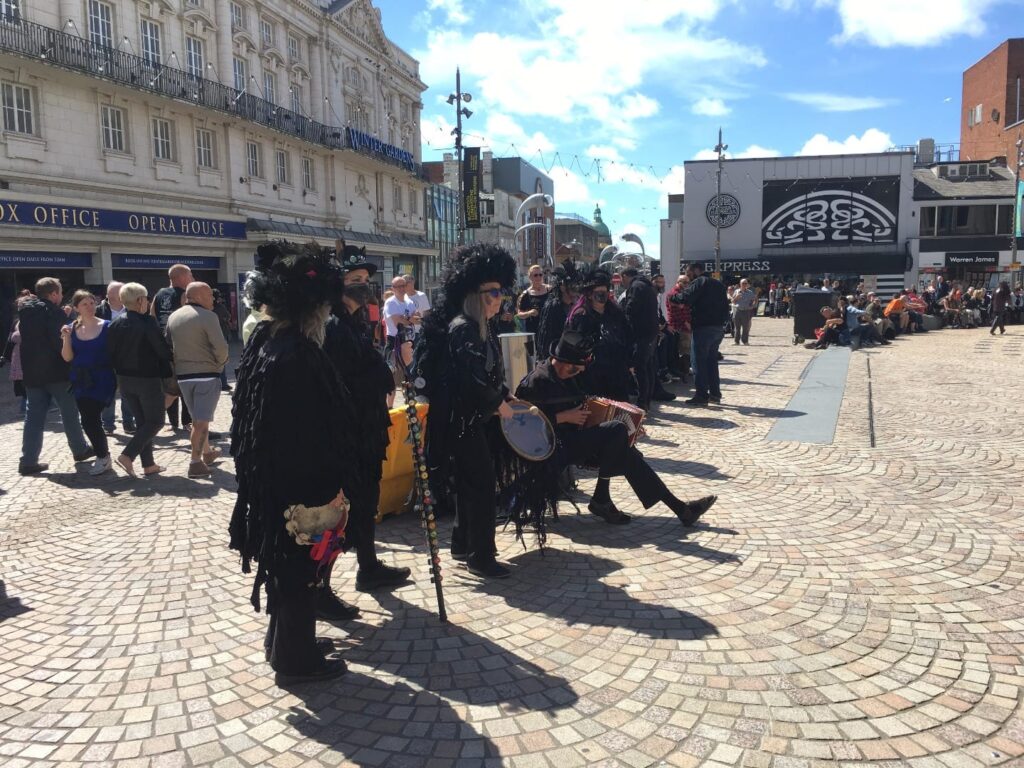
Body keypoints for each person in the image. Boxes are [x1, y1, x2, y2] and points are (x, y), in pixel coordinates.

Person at [231, 240, 358, 686]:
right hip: (297, 485)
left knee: (286, 570)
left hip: (273, 482)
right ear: (313, 308)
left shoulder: (268, 340)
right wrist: (328, 486)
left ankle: (284, 643)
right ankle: (297, 659)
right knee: (299, 571)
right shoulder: (299, 355)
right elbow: (308, 432)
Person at [516, 330, 717, 526]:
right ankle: (602, 499)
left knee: (625, 448)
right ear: (563, 363)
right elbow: (522, 424)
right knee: (616, 432)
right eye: (577, 367)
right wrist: (562, 417)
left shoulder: (572, 377)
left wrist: (632, 426)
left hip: (575, 439)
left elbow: (589, 405)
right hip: (554, 447)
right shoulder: (537, 381)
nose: (582, 370)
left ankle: (681, 510)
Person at [416, 243, 519, 580]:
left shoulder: (479, 327)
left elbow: (486, 374)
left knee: (470, 483)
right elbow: (471, 379)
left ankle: (463, 544)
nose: (500, 298)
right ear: (475, 293)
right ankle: (480, 556)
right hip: (461, 422)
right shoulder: (463, 327)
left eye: (502, 291)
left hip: (469, 420)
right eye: (493, 292)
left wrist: (505, 395)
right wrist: (498, 404)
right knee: (482, 485)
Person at [323, 242, 411, 614]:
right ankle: (318, 585)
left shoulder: (357, 321)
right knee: (334, 510)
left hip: (367, 429)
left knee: (367, 500)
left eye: (365, 280)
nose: (362, 285)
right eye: (354, 280)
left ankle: (368, 566)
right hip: (343, 431)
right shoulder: (330, 325)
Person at [17, 277, 92, 475]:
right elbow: (59, 342)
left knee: (33, 417)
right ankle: (79, 449)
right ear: (53, 294)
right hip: (57, 372)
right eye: (59, 293)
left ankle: (28, 460)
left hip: (32, 373)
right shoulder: (53, 312)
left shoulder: (25, 311)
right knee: (69, 412)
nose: (60, 296)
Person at [108, 283, 173, 477]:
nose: (148, 301)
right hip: (147, 379)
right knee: (155, 421)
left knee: (143, 421)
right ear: (139, 300)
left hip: (125, 379)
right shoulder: (147, 322)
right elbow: (161, 351)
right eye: (146, 298)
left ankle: (149, 465)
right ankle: (128, 455)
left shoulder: (116, 323)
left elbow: (110, 352)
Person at [166, 282, 230, 479]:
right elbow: (221, 348)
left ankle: (207, 452)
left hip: (184, 376)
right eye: (210, 295)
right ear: (200, 296)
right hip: (206, 374)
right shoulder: (208, 317)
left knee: (198, 417)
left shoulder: (174, 316)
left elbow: (168, 344)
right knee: (201, 421)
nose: (213, 299)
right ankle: (195, 462)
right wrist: (220, 365)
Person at [60, 291, 117, 476]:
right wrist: (66, 338)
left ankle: (103, 456)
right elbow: (67, 357)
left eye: (92, 303)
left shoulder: (107, 326)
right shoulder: (71, 328)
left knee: (91, 417)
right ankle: (103, 456)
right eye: (85, 304)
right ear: (76, 308)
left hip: (103, 378)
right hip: (81, 379)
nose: (90, 306)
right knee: (89, 419)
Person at [569, 265, 632, 403]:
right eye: (599, 292)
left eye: (605, 291)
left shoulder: (616, 313)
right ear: (590, 294)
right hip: (593, 374)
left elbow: (627, 336)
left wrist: (629, 362)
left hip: (617, 370)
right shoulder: (581, 316)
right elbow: (575, 344)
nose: (602, 295)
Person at [670, 262, 730, 406]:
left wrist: (673, 298)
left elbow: (685, 297)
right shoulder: (718, 284)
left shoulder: (700, 281)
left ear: (696, 270)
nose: (687, 276)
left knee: (698, 362)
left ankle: (702, 395)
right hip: (718, 328)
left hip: (703, 327)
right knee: (711, 361)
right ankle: (715, 394)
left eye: (688, 272)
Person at [619, 267, 674, 410]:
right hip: (650, 333)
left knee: (641, 369)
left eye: (622, 279)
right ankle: (646, 400)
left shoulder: (636, 286)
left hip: (642, 333)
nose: (621, 282)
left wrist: (622, 314)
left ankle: (643, 402)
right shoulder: (646, 286)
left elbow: (631, 308)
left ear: (625, 276)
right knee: (648, 367)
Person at [151, 264, 193, 431]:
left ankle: (174, 422)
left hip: (162, 347)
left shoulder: (159, 294)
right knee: (180, 387)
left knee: (168, 384)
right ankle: (185, 422)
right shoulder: (184, 295)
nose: (191, 278)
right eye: (190, 275)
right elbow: (188, 319)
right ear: (182, 277)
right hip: (179, 347)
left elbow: (152, 317)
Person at [95, 281, 136, 435]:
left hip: (127, 358)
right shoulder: (99, 311)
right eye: (110, 296)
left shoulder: (132, 310)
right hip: (105, 358)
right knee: (108, 392)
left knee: (127, 392)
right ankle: (108, 424)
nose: (112, 298)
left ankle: (128, 422)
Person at [535, 260, 581, 366]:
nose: (576, 290)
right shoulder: (553, 307)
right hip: (555, 364)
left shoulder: (575, 307)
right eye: (573, 286)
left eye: (578, 286)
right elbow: (546, 341)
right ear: (562, 287)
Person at [516, 264, 549, 357]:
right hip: (533, 331)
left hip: (548, 330)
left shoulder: (549, 289)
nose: (538, 277)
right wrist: (529, 313)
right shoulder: (526, 294)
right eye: (535, 275)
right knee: (533, 357)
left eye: (540, 274)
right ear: (530, 277)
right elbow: (519, 314)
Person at [666, 274, 692, 384]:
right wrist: (686, 323)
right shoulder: (674, 294)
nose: (687, 284)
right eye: (684, 282)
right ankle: (683, 372)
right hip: (680, 325)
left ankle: (683, 371)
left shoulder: (683, 293)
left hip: (684, 325)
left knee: (685, 348)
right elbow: (676, 312)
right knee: (684, 349)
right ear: (678, 282)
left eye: (688, 282)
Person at [731, 278, 756, 345]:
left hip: (746, 311)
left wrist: (752, 306)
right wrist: (736, 297)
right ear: (740, 284)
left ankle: (745, 341)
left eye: (746, 283)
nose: (744, 285)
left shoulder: (750, 292)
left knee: (745, 328)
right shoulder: (736, 291)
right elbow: (732, 301)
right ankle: (736, 341)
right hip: (738, 311)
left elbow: (754, 299)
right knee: (737, 327)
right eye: (743, 283)